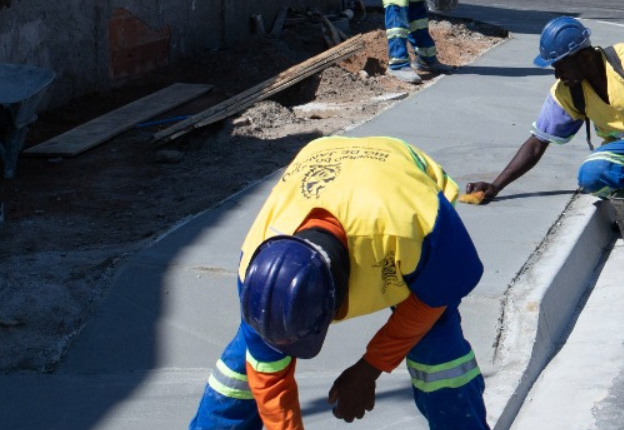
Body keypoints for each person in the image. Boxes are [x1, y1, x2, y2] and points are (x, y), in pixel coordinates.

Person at [189, 135, 488, 430]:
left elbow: (433, 300)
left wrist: (369, 369)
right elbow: (270, 379)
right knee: (252, 361)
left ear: (338, 297)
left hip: (396, 182)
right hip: (324, 159)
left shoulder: (416, 226)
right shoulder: (257, 271)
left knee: (437, 346)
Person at [462, 17, 624, 231]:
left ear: (583, 57)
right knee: (590, 175)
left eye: (560, 66)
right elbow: (537, 143)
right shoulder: (566, 91)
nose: (556, 74)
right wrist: (496, 186)